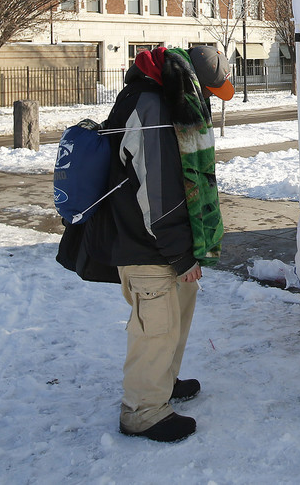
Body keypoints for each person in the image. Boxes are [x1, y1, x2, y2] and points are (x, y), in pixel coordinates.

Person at [85, 44, 234, 443]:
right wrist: (180, 254)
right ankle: (143, 412)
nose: (206, 102)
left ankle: (162, 384)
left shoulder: (164, 99)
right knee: (155, 329)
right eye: (207, 92)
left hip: (159, 242)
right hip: (146, 244)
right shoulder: (151, 107)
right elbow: (158, 191)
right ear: (192, 83)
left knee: (176, 317)